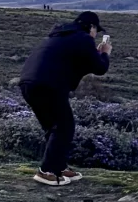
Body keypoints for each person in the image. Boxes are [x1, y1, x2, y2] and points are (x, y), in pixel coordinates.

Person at [18, 11, 112, 186]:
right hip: (49, 85)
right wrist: (105, 53)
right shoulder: (83, 38)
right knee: (64, 126)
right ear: (90, 27)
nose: (95, 34)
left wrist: (95, 54)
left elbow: (80, 64)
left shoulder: (60, 36)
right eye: (96, 30)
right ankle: (46, 171)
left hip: (28, 84)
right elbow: (99, 68)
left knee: (53, 127)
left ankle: (58, 167)